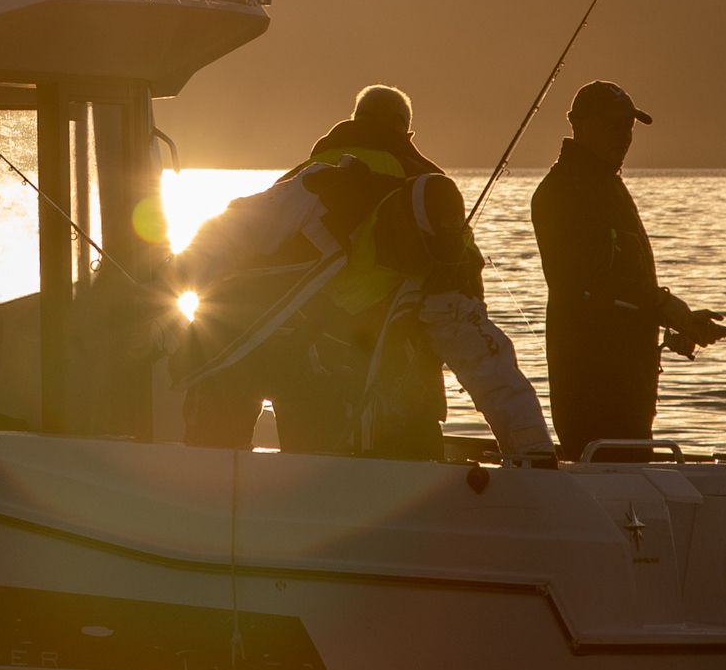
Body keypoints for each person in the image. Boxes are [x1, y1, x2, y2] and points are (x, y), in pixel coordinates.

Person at [181, 84, 555, 459]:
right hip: (381, 359)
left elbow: (226, 240)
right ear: (404, 130)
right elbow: (462, 291)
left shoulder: (304, 176)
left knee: (286, 463)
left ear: (355, 120)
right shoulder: (425, 189)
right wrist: (532, 447)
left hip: (277, 349)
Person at [529, 80, 721, 459]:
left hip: (632, 377)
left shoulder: (608, 185)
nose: (623, 137)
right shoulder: (560, 192)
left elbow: (622, 283)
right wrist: (663, 305)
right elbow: (583, 284)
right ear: (577, 124)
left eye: (628, 127)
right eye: (612, 126)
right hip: (590, 379)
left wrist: (676, 320)